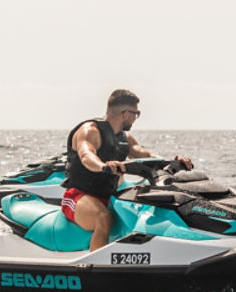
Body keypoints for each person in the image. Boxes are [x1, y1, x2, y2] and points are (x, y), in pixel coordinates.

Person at [61, 89, 193, 251]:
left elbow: (146, 156)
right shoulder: (90, 131)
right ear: (125, 114)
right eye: (136, 114)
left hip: (109, 196)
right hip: (78, 196)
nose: (136, 118)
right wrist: (104, 166)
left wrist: (172, 162)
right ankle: (97, 268)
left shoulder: (125, 139)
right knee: (104, 218)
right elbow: (86, 156)